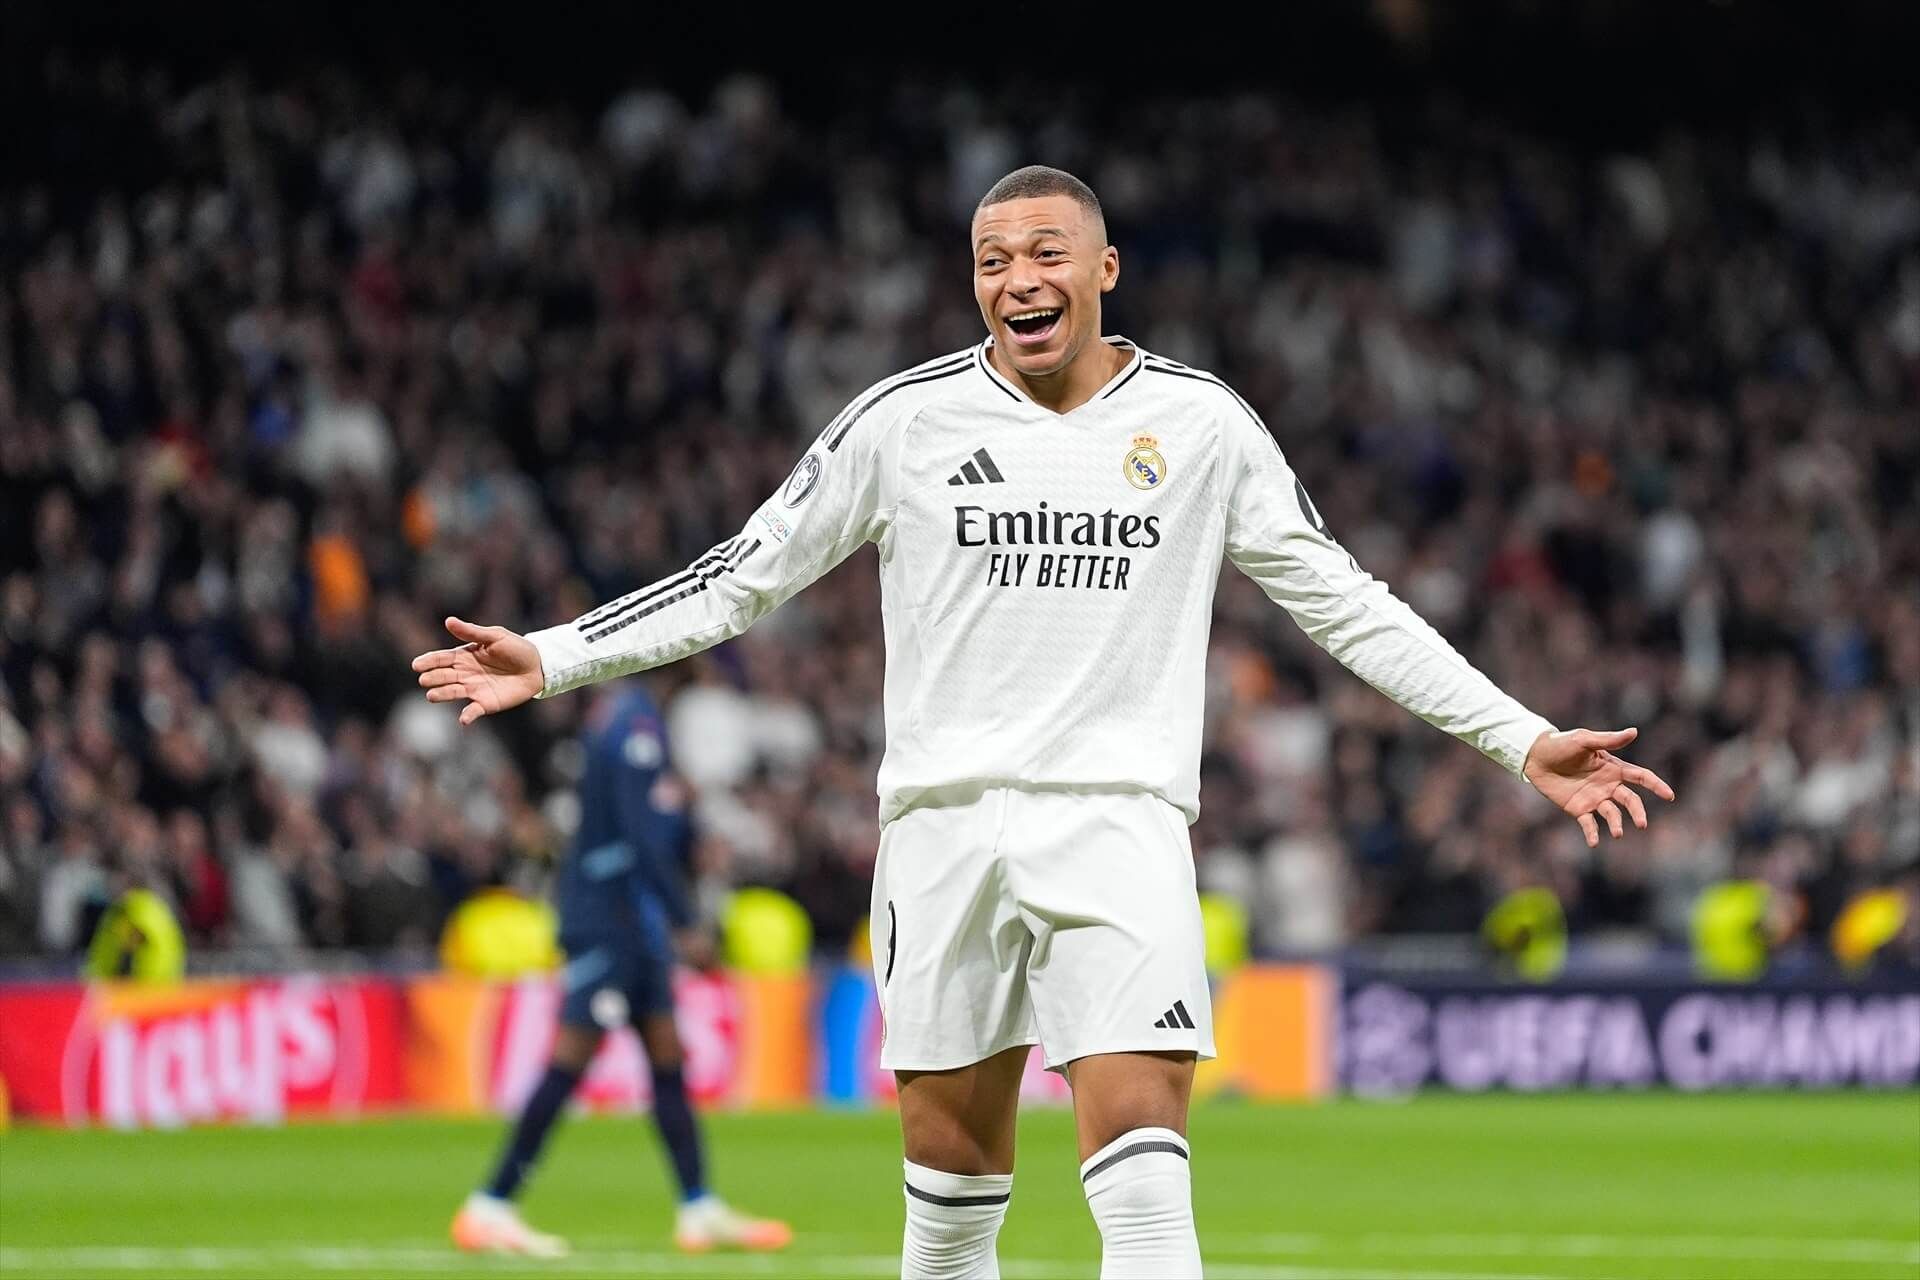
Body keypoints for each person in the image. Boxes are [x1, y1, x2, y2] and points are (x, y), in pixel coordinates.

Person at [413, 165, 1675, 1279]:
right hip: (942, 835)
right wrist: (558, 653)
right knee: (951, 1225)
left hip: (1118, 824)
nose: (1018, 279)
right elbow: (743, 571)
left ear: (1105, 269)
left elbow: (1347, 602)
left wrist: (1519, 736)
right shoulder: (903, 420)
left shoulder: (1198, 423)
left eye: (1045, 254)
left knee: (1143, 1191)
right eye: (992, 262)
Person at [448, 680, 790, 1258]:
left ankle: (698, 1205)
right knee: (572, 1057)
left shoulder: (626, 718)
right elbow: (638, 835)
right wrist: (686, 918)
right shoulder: (633, 725)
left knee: (666, 1053)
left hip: (632, 918)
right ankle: (491, 1205)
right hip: (611, 917)